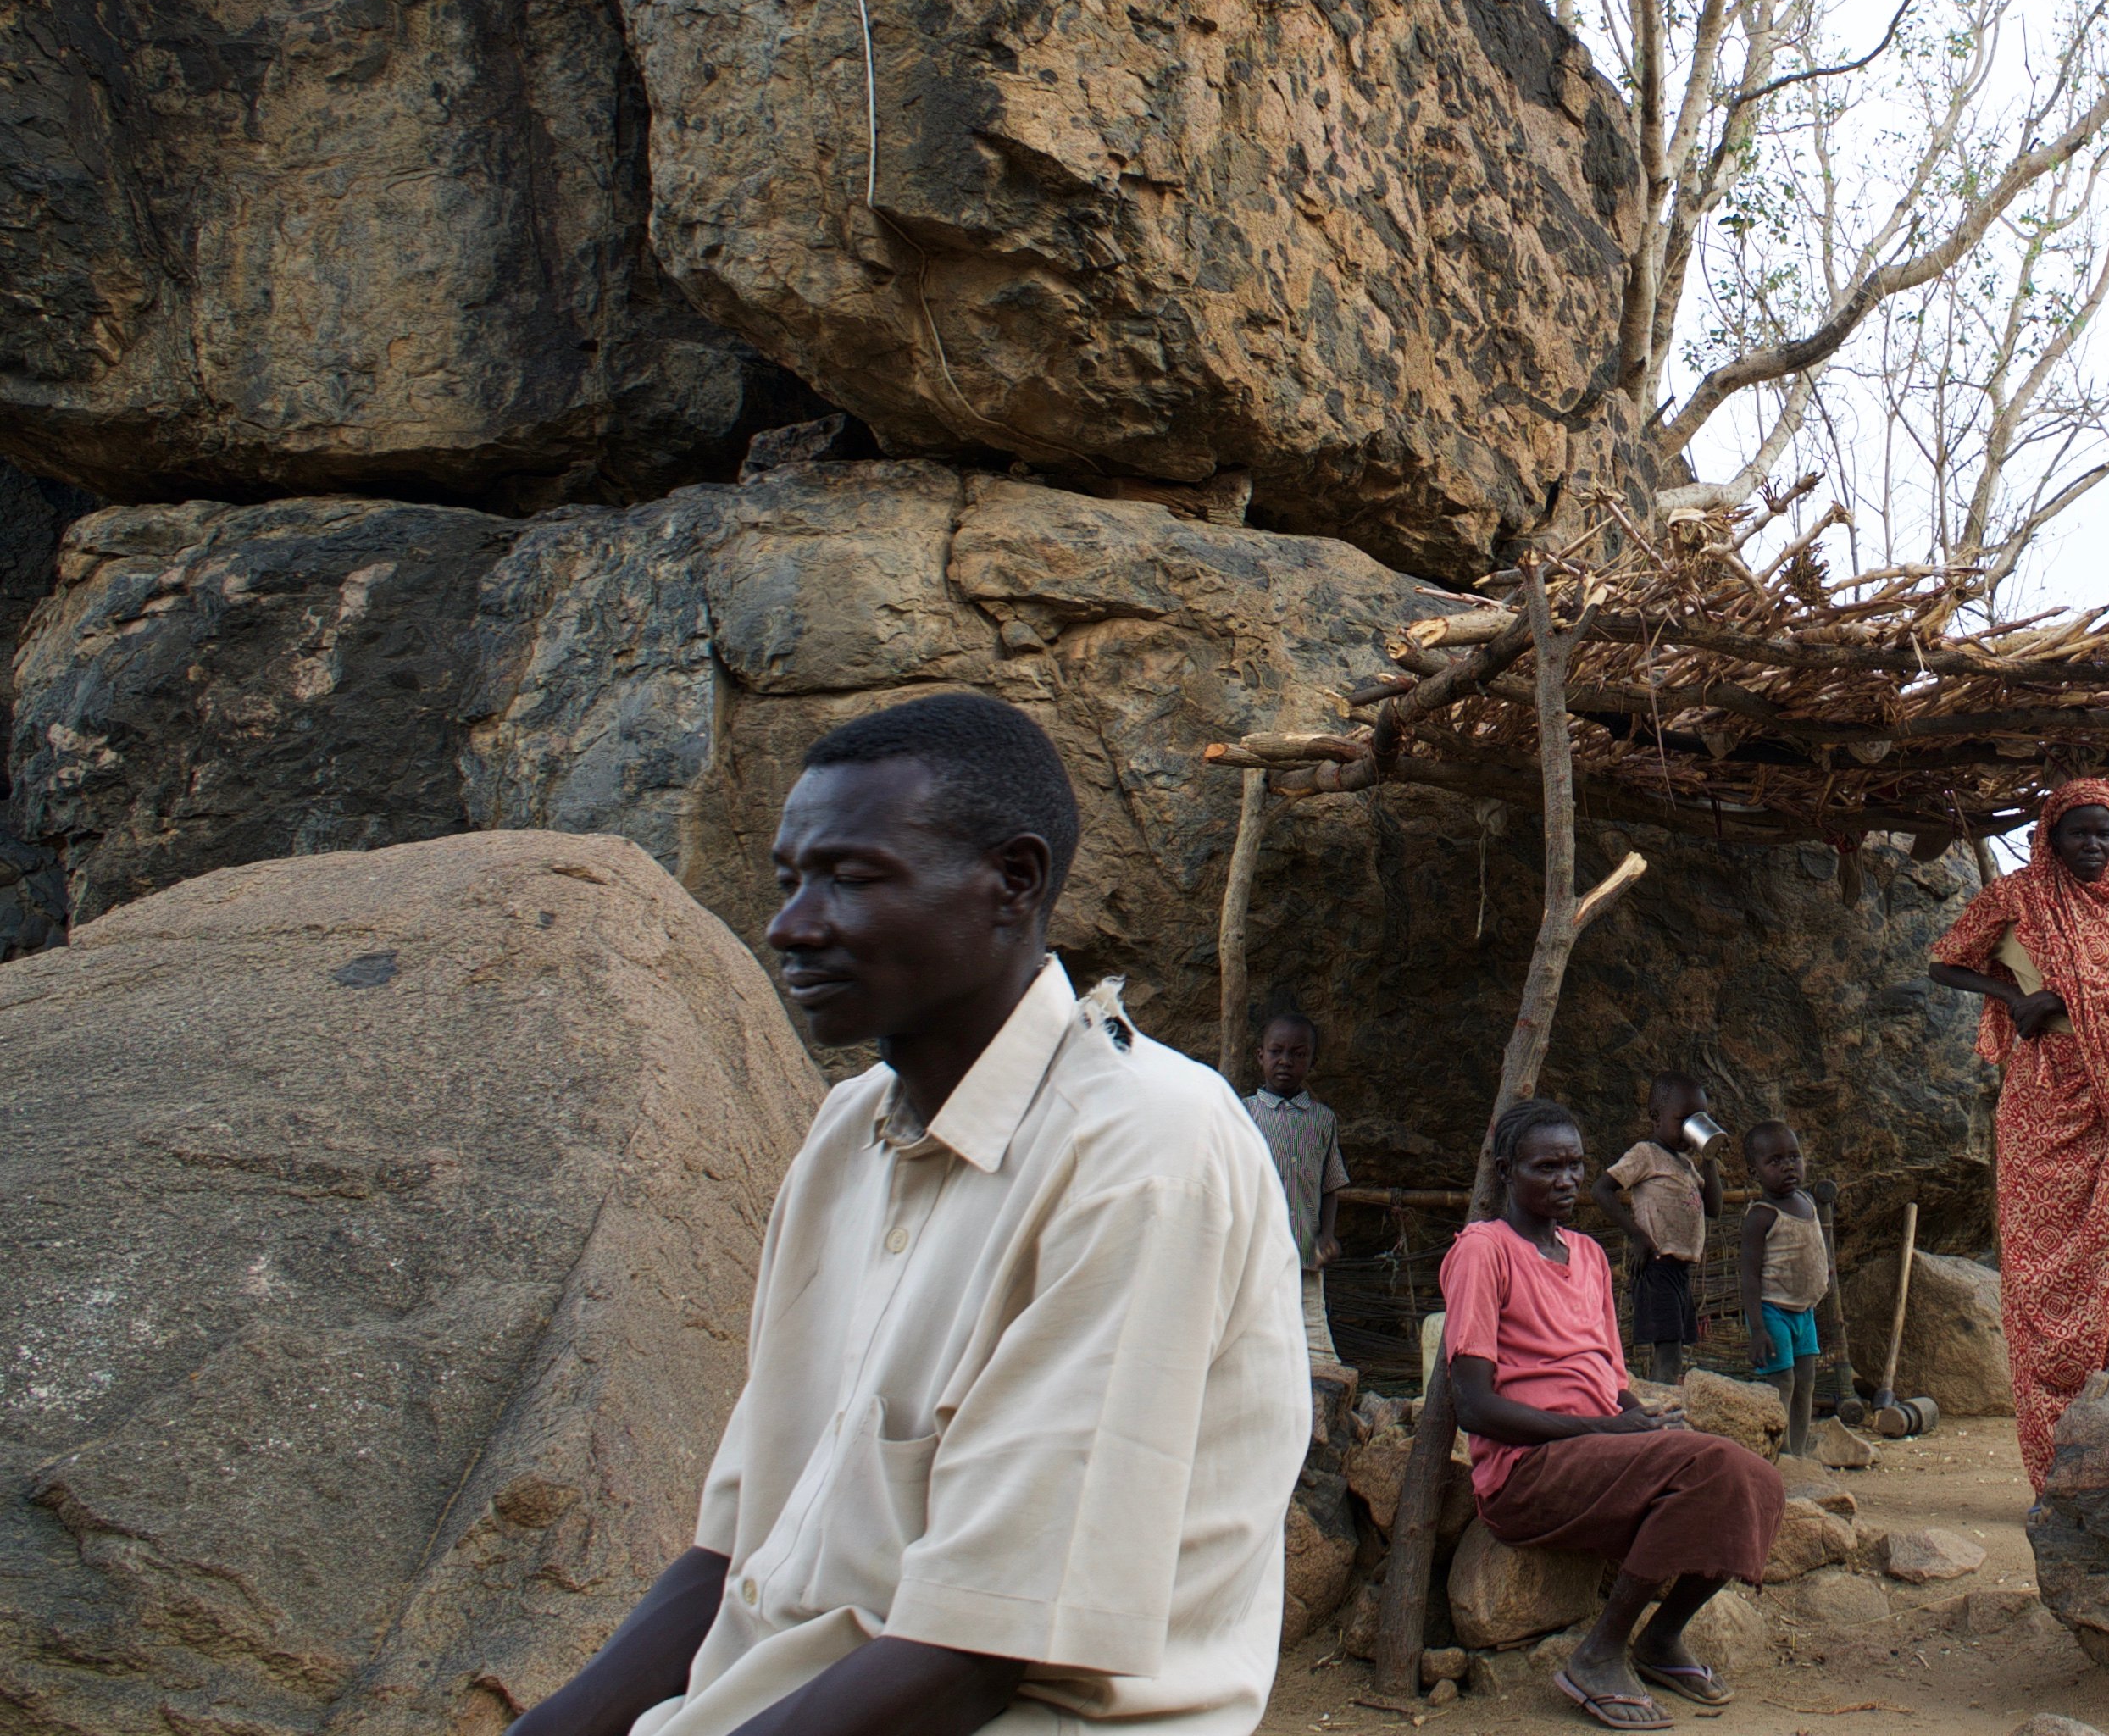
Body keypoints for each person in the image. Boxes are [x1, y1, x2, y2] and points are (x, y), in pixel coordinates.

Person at [513, 692, 1307, 1736]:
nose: (789, 925)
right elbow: (736, 1549)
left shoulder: (1142, 1146)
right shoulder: (848, 1133)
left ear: (1011, 883)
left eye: (849, 877)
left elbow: (978, 1652)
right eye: (790, 879)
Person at [1441, 1099, 1784, 1733]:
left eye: (1574, 1164)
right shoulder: (1483, 1251)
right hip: (1528, 1472)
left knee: (1758, 1480)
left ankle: (1660, 1640)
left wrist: (1640, 1419)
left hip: (1597, 1453)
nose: (1567, 1180)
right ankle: (1598, 1655)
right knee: (1709, 1467)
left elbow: (1607, 1377)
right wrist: (1604, 1429)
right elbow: (1474, 1406)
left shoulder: (1589, 1256)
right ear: (1505, 1170)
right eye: (1547, 1167)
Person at [1928, 774, 2109, 1489]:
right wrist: (2015, 999)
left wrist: (2073, 1001)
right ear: (2051, 837)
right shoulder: (2019, 897)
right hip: (2043, 1100)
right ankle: (2058, 1466)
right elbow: (1943, 959)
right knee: (2043, 1273)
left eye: (2105, 832)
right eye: (2079, 833)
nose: (2093, 845)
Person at [1245, 1011, 1350, 1371]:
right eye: (1276, 1051)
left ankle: (1322, 1416)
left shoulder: (1323, 1119)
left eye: (1297, 1053)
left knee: (1316, 1351)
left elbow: (1330, 1185)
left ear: (1311, 1061)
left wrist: (1327, 1235)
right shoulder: (1244, 1114)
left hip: (1306, 1258)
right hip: (1255, 1256)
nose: (1285, 1061)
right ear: (1260, 1056)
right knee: (1255, 1340)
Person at [1596, 1071, 1717, 1385]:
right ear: (1656, 1117)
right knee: (1669, 1350)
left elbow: (1714, 1208)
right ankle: (1658, 1411)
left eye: (1699, 1121)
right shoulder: (1645, 1154)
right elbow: (1601, 1190)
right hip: (1657, 1266)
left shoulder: (1686, 1164)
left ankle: (1659, 1404)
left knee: (1675, 1347)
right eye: (1684, 1120)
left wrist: (1710, 1159)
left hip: (1679, 1270)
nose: (1691, 1130)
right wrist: (1637, 1235)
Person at [1733, 1123, 1830, 1458]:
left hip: (1804, 1312)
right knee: (1782, 1383)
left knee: (1806, 1382)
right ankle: (1780, 1455)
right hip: (1773, 1311)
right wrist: (1757, 1328)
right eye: (1775, 1161)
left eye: (1794, 1157)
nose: (1789, 1166)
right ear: (1754, 1171)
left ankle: (1798, 1455)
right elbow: (1749, 1275)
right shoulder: (1761, 1216)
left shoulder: (1806, 1201)